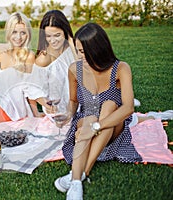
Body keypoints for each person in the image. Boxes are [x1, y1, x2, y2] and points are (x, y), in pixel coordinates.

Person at [52, 23, 143, 200]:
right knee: (90, 116)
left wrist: (95, 127)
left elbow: (128, 107)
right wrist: (68, 115)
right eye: (78, 51)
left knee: (109, 105)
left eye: (84, 52)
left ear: (98, 49)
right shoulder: (74, 69)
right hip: (85, 120)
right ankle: (77, 181)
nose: (80, 56)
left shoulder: (120, 68)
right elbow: (73, 101)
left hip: (109, 127)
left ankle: (76, 175)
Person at [27, 10, 78, 117]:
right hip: (58, 112)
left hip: (79, 107)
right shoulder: (44, 59)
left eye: (57, 35)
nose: (53, 40)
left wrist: (72, 44)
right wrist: (45, 103)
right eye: (48, 36)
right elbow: (32, 88)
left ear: (65, 32)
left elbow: (85, 73)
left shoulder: (73, 49)